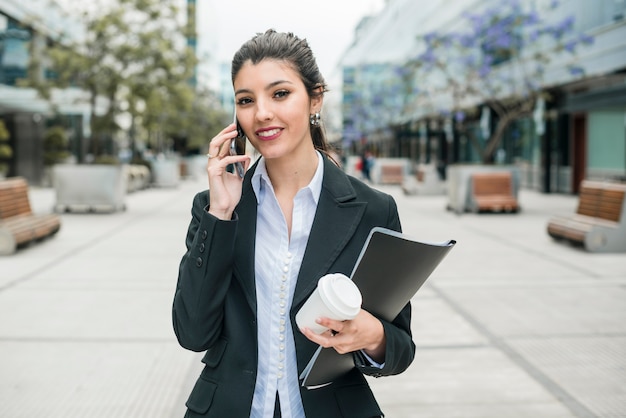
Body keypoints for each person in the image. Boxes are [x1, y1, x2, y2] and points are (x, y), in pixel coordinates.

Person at [172, 29, 415, 418]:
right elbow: (192, 332)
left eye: (280, 93)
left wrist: (372, 335)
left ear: (315, 98)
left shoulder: (372, 209)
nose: (262, 113)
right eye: (246, 101)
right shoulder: (216, 207)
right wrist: (220, 216)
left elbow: (401, 347)